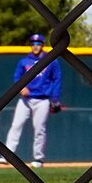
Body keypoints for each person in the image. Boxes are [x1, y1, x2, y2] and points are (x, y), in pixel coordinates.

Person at [5, 31, 63, 167]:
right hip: (25, 100)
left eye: (38, 43)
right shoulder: (24, 61)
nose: (35, 46)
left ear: (42, 45)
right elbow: (16, 77)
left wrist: (55, 98)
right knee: (16, 125)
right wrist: (21, 87)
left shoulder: (51, 61)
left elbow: (57, 79)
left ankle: (38, 159)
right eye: (33, 44)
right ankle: (7, 154)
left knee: (39, 128)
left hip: (42, 99)